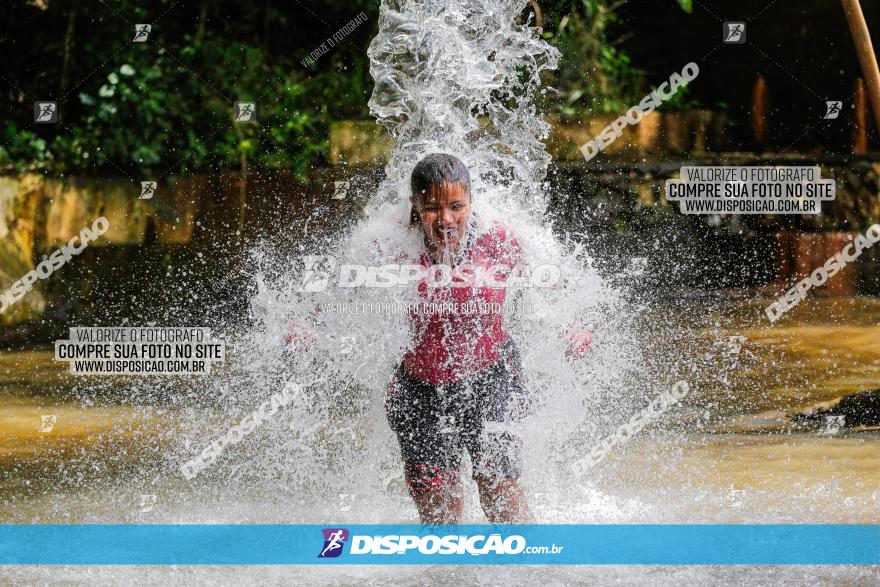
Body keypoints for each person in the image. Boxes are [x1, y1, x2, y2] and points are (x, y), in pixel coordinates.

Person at [383, 153, 590, 524]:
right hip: (419, 387)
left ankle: (528, 573)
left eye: (456, 206)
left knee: (500, 488)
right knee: (439, 512)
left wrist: (569, 325)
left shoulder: (498, 240)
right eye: (432, 207)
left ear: (470, 202)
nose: (446, 219)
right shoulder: (392, 246)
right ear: (415, 207)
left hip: (492, 376)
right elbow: (338, 289)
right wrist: (308, 325)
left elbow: (551, 282)